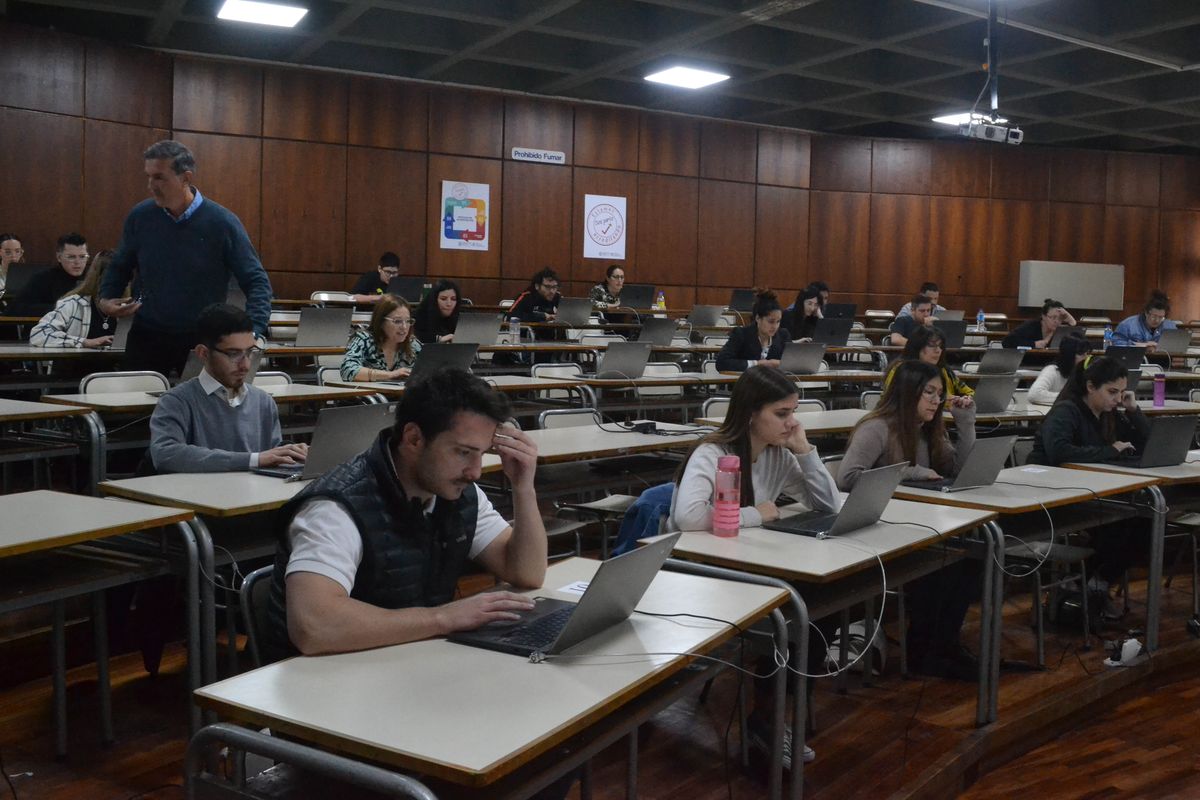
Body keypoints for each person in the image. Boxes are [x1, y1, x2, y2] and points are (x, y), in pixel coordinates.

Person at [262, 367, 547, 661]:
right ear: (413, 439)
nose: (475, 472)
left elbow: (526, 572)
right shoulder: (336, 507)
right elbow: (314, 627)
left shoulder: (457, 491)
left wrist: (523, 488)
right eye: (463, 452)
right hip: (319, 687)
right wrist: (442, 618)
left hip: (405, 663)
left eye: (482, 453)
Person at [670, 365, 840, 767]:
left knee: (823, 605)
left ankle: (770, 717)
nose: (792, 421)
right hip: (702, 575)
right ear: (750, 413)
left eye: (793, 412)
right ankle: (768, 719)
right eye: (782, 414)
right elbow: (688, 516)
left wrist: (806, 451)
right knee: (801, 610)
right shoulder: (713, 452)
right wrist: (758, 514)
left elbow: (829, 505)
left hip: (752, 564)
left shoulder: (779, 456)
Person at [838, 360, 979, 680]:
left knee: (971, 559)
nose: (936, 400)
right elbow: (846, 478)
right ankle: (924, 649)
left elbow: (959, 474)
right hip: (880, 528)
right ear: (906, 393)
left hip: (918, 524)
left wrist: (966, 424)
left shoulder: (929, 429)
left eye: (939, 394)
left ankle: (943, 644)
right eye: (928, 392)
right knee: (946, 563)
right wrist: (909, 471)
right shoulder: (877, 427)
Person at [97, 140, 272, 376]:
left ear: (186, 178)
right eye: (149, 177)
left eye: (159, 177)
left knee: (202, 409)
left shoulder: (222, 223)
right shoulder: (141, 217)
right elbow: (120, 266)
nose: (151, 185)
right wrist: (106, 297)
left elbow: (257, 281)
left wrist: (255, 331)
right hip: (147, 334)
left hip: (201, 338)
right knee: (131, 408)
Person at [1028, 355, 1149, 609]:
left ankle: (1094, 582)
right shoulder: (1066, 410)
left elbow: (1148, 442)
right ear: (1090, 386)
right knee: (1122, 523)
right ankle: (1080, 584)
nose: (1117, 399)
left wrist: (1133, 410)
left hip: (1089, 493)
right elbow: (1060, 452)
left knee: (1147, 521)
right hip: (1053, 495)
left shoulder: (1107, 413)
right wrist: (1112, 450)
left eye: (1122, 392)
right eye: (1112, 392)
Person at [148, 304, 307, 473]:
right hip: (201, 496)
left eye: (250, 352)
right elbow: (166, 455)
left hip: (256, 496)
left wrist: (291, 453)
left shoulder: (263, 401)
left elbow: (271, 455)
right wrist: (253, 460)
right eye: (233, 354)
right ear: (203, 353)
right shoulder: (176, 401)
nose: (245, 364)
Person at [30, 249, 118, 349]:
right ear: (98, 278)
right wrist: (84, 342)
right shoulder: (72, 304)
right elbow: (38, 334)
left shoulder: (128, 308)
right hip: (77, 363)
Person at [340, 294, 422, 382]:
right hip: (371, 394)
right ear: (381, 321)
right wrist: (391, 375)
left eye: (408, 321)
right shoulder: (364, 340)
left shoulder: (413, 344)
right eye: (397, 321)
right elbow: (347, 370)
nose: (404, 327)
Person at [9, 232, 89, 317]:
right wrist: (57, 308)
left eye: (82, 257)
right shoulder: (43, 279)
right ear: (59, 257)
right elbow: (15, 308)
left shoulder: (94, 278)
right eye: (71, 257)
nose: (77, 262)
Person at [885, 325, 973, 397]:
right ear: (917, 347)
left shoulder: (945, 370)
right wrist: (950, 401)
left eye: (940, 346)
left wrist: (967, 400)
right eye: (932, 345)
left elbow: (970, 392)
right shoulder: (901, 370)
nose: (938, 350)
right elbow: (905, 399)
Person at [715, 290, 787, 372]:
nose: (775, 326)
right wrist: (756, 364)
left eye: (778, 321)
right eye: (771, 321)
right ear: (758, 318)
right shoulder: (741, 334)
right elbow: (722, 363)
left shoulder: (783, 335)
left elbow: (793, 363)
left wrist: (780, 363)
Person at [1028, 333, 1092, 406]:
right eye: (1081, 354)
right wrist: (1071, 397)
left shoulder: (1085, 372)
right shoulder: (1052, 371)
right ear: (1069, 355)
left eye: (1087, 353)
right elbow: (1034, 394)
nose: (1086, 358)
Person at [510, 267, 560, 344]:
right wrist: (542, 316)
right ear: (537, 286)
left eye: (554, 287)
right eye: (547, 287)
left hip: (552, 339)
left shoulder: (557, 297)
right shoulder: (526, 297)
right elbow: (510, 316)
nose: (552, 291)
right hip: (528, 339)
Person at [1112, 291, 1177, 350]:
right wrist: (1136, 345)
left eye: (1161, 317)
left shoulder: (1170, 326)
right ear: (1146, 313)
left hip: (1163, 361)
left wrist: (1159, 346)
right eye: (1154, 316)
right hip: (1135, 359)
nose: (1157, 320)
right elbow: (1116, 343)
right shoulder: (1127, 325)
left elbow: (1176, 346)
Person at [1002, 298, 1077, 349]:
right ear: (1043, 316)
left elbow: (1075, 344)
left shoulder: (1060, 330)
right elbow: (1007, 342)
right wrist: (1034, 344)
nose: (1056, 321)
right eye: (1053, 317)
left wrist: (1072, 321)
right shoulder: (1031, 326)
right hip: (1029, 365)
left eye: (1060, 318)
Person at [412, 278, 461, 344]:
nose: (449, 304)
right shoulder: (418, 318)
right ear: (434, 300)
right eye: (443, 299)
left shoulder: (459, 319)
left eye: (453, 299)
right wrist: (439, 341)